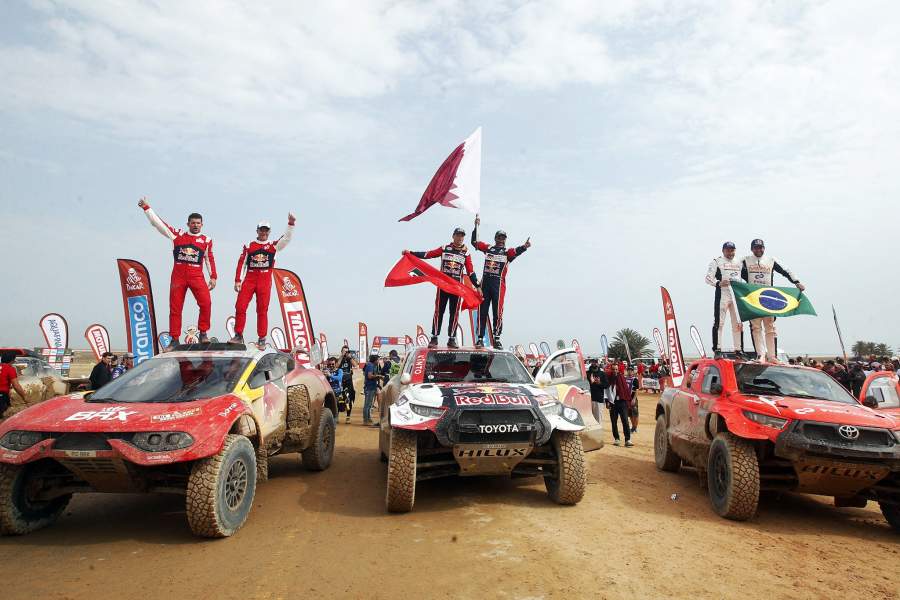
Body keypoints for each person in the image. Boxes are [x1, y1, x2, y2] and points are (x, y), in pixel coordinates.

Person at [138, 198, 217, 348]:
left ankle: (203, 333)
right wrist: (147, 208)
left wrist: (213, 277)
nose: (195, 225)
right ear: (188, 224)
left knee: (206, 303)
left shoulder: (206, 240)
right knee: (175, 308)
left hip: (196, 275)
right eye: (193, 223)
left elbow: (209, 258)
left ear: (202, 224)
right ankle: (174, 339)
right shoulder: (178, 235)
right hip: (178, 276)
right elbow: (159, 224)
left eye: (198, 223)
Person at [403, 227, 479, 348]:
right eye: (458, 235)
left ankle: (451, 339)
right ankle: (434, 337)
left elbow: (470, 272)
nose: (460, 238)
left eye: (462, 236)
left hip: (456, 288)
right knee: (439, 311)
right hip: (443, 285)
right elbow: (428, 254)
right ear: (453, 236)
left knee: (454, 313)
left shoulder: (466, 253)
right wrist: (411, 253)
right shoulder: (444, 248)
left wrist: (478, 285)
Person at [230, 213, 296, 347]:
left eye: (266, 230)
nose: (264, 232)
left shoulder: (273, 246)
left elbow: (286, 238)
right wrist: (238, 280)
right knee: (240, 306)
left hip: (265, 281)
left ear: (269, 232)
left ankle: (261, 338)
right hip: (250, 279)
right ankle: (238, 335)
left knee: (262, 309)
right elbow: (242, 263)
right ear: (257, 231)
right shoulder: (249, 245)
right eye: (261, 230)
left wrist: (290, 224)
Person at [471, 216, 530, 349]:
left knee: (497, 312)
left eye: (503, 238)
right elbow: (474, 242)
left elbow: (516, 251)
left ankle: (497, 338)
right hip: (485, 284)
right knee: (482, 311)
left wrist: (524, 247)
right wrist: (476, 227)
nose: (501, 240)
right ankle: (480, 338)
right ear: (495, 238)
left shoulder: (507, 252)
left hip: (498, 286)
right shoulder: (489, 248)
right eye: (499, 237)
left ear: (505, 240)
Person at [740, 239, 805, 363]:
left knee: (770, 327)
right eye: (756, 248)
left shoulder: (771, 260)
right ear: (752, 249)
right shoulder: (745, 260)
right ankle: (760, 355)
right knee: (755, 327)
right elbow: (732, 269)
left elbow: (786, 271)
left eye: (760, 247)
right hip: (753, 297)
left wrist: (796, 282)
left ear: (764, 248)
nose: (758, 250)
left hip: (768, 297)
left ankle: (772, 356)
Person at [705, 241, 744, 353]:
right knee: (719, 322)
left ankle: (739, 350)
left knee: (738, 323)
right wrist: (718, 283)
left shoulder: (739, 262)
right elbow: (708, 278)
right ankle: (717, 349)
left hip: (736, 295)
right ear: (723, 251)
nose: (730, 252)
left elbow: (746, 277)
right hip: (723, 294)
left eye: (732, 250)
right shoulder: (716, 262)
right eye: (727, 250)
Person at [606, 364, 633, 447]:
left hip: (622, 402)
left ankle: (627, 439)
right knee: (614, 421)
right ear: (611, 370)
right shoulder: (609, 378)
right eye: (613, 369)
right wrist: (607, 401)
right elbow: (606, 390)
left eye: (616, 369)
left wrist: (628, 401)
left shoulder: (621, 377)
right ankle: (616, 439)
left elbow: (626, 390)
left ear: (618, 370)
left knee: (625, 420)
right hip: (613, 403)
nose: (615, 371)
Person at [0, 352, 27, 418]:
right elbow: (16, 386)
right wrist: (24, 397)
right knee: (3, 416)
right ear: (12, 360)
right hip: (2, 396)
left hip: (3, 394)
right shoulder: (10, 369)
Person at [337, 345, 357, 424]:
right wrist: (342, 356)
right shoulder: (339, 358)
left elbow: (355, 365)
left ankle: (348, 417)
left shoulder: (349, 359)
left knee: (348, 399)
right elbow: (336, 366)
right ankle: (337, 416)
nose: (345, 352)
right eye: (344, 351)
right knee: (339, 399)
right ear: (341, 351)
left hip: (348, 382)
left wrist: (350, 357)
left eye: (347, 351)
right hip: (340, 382)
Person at [586, 359, 608, 424]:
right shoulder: (587, 373)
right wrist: (590, 382)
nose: (594, 363)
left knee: (598, 419)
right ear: (591, 363)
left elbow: (606, 385)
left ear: (598, 363)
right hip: (588, 399)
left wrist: (599, 383)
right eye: (593, 362)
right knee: (589, 420)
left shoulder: (602, 373)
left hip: (598, 399)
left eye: (595, 362)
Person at [362, 352, 381, 426]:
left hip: (371, 387)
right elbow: (369, 376)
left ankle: (368, 418)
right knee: (367, 405)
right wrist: (378, 376)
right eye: (378, 360)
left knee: (369, 405)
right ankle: (365, 420)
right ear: (375, 360)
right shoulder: (370, 365)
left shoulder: (372, 365)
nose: (379, 361)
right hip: (369, 387)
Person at [626, 366, 640, 434]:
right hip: (627, 399)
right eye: (628, 370)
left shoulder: (635, 380)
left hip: (633, 399)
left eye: (631, 370)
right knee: (630, 414)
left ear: (633, 371)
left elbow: (637, 390)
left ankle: (635, 427)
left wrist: (634, 399)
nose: (630, 371)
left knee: (635, 414)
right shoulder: (625, 378)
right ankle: (633, 427)